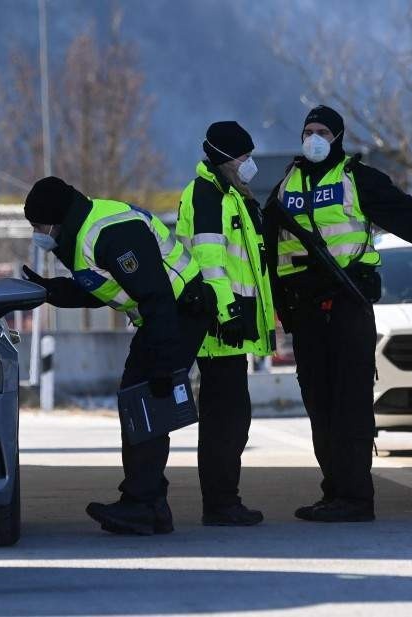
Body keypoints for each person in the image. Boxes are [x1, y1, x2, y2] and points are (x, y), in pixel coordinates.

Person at [263, 105, 412, 523]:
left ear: (337, 137)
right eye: (308, 131)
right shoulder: (285, 185)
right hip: (304, 313)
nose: (313, 138)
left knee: (351, 404)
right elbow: (269, 249)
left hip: (345, 306)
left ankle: (356, 498)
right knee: (319, 405)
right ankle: (334, 492)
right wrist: (277, 310)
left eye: (322, 130)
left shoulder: (358, 179)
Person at [21, 176, 215, 535]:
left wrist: (162, 363)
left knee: (144, 403)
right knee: (138, 402)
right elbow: (103, 289)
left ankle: (143, 504)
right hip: (165, 315)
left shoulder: (111, 232)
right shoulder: (84, 235)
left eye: (37, 226)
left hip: (177, 312)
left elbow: (156, 296)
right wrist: (51, 290)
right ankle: (152, 505)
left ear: (55, 219)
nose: (37, 233)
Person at [175, 121, 276, 526]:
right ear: (226, 157)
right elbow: (209, 261)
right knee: (225, 422)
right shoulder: (207, 195)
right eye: (245, 157)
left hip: (230, 327)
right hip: (219, 329)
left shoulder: (229, 194)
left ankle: (223, 499)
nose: (249, 164)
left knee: (232, 419)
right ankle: (220, 503)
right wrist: (227, 312)